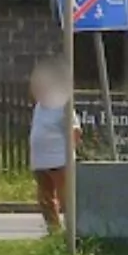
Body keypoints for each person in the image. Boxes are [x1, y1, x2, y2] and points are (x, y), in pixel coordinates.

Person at [29, 61, 80, 231]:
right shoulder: (39, 106)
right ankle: (54, 231)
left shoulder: (63, 105)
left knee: (66, 199)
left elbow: (75, 131)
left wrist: (69, 154)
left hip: (59, 161)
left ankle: (73, 231)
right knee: (45, 199)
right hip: (40, 161)